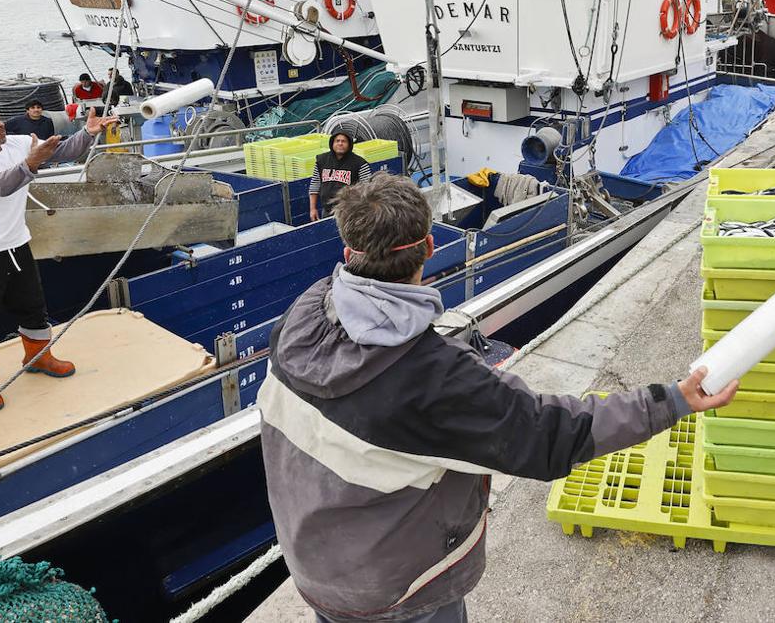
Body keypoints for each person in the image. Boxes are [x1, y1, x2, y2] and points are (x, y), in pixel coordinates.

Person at [258, 174, 739, 622]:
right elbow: (552, 434)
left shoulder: (301, 316)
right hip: (397, 591)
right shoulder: (435, 377)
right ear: (429, 246)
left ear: (349, 251)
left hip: (314, 569)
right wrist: (672, 400)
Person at [0, 103, 119, 412]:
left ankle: (38, 357)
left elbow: (63, 151)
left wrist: (88, 134)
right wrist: (32, 163)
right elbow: (0, 186)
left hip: (15, 244)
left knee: (34, 308)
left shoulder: (17, 142)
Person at [308, 131, 374, 222]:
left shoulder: (360, 163)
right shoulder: (322, 160)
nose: (340, 143)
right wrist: (312, 209)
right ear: (332, 143)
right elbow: (314, 185)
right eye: (337, 141)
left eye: (344, 141)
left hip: (350, 213)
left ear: (349, 144)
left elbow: (368, 189)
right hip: (327, 211)